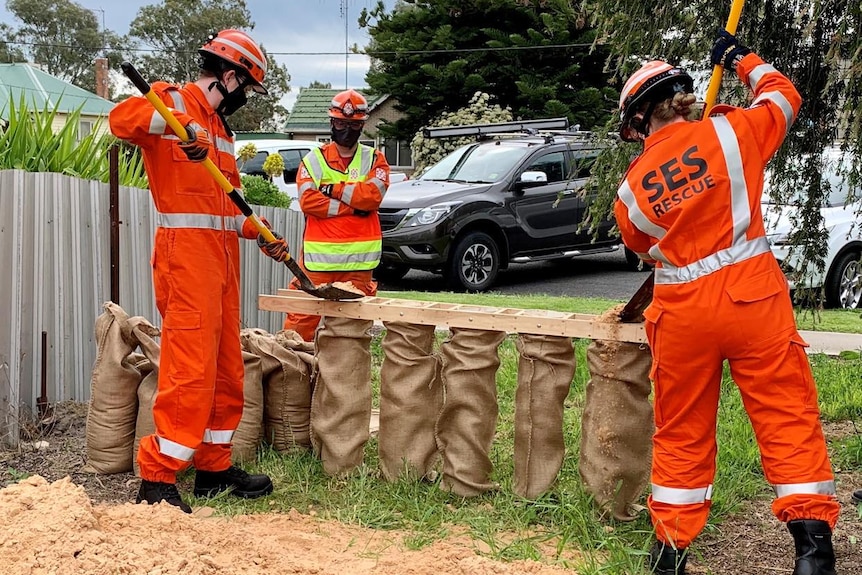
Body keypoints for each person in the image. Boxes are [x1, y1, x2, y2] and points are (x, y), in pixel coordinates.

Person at [613, 32, 840, 575]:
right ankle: (813, 552)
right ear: (682, 98)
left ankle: (669, 554)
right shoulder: (733, 132)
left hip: (682, 314)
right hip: (754, 300)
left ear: (639, 120)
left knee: (681, 430)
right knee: (787, 414)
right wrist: (741, 60)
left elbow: (643, 247)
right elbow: (784, 96)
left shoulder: (630, 192)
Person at [109, 29, 287, 513]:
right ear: (229, 76)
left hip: (223, 262)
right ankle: (157, 477)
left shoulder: (223, 135)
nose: (245, 100)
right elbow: (120, 120)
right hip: (185, 261)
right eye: (246, 89)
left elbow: (229, 204)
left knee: (228, 369)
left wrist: (260, 232)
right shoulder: (170, 100)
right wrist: (177, 126)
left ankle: (212, 467)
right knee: (190, 371)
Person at [281, 89, 390, 340]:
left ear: (362, 126)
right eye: (341, 123)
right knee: (298, 329)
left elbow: (372, 197)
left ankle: (341, 379)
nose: (347, 129)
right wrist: (354, 205)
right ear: (332, 122)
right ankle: (291, 376)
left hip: (358, 267)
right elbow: (309, 202)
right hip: (318, 266)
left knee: (351, 335)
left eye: (353, 124)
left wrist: (332, 189)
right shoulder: (313, 160)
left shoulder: (376, 159)